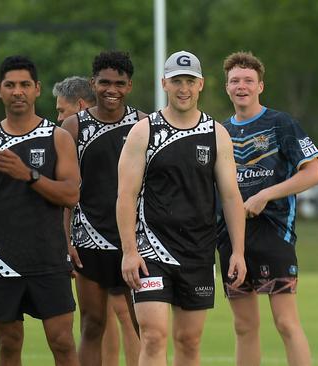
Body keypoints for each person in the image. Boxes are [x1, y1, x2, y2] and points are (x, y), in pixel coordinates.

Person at [117, 50, 247, 366]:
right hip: (151, 250)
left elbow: (231, 197)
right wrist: (129, 251)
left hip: (198, 252)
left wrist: (238, 252)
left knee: (189, 342)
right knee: (153, 335)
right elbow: (125, 196)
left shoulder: (217, 134)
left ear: (201, 84)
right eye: (177, 81)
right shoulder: (144, 131)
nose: (183, 88)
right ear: (164, 83)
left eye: (190, 81)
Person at [0, 55, 80, 366]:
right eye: (10, 85)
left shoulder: (57, 138)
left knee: (62, 342)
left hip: (48, 258)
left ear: (37, 89)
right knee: (8, 343)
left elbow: (71, 194)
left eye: (24, 85)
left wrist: (29, 175)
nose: (17, 91)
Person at [217, 51, 318, 366]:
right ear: (226, 87)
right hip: (230, 239)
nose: (241, 86)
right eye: (234, 80)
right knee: (243, 326)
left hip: (273, 235)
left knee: (286, 323)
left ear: (260, 86)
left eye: (248, 80)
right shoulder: (219, 132)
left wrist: (265, 195)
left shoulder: (281, 123)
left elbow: (314, 173)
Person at [60, 51, 145, 366]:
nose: (112, 89)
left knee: (146, 327)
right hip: (88, 242)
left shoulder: (142, 123)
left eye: (119, 83)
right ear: (92, 83)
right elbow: (67, 191)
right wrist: (65, 240)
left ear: (129, 86)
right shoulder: (73, 126)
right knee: (92, 325)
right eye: (105, 82)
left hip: (134, 243)